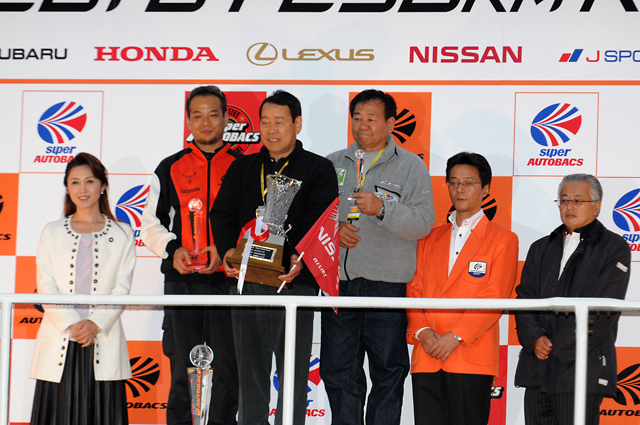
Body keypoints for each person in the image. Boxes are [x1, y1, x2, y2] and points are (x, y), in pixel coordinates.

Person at [210, 90, 338, 425]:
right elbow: (221, 214)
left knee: (293, 372)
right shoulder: (242, 167)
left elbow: (321, 220)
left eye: (279, 121)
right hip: (247, 281)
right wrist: (228, 251)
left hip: (295, 283)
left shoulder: (319, 168)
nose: (271, 129)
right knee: (249, 373)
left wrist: (298, 258)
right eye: (265, 122)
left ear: (297, 124)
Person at [321, 89, 435, 425]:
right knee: (338, 370)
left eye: (371, 118)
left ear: (391, 123)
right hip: (338, 286)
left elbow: (423, 222)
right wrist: (335, 229)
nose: (362, 125)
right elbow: (313, 219)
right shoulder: (331, 163)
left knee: (388, 372)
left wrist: (382, 208)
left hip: (387, 287)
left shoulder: (411, 165)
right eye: (357, 117)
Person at [141, 86, 240, 425]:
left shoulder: (243, 166)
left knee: (227, 369)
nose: (206, 122)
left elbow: (255, 223)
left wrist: (228, 252)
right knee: (183, 367)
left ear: (225, 118)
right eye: (197, 115)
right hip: (182, 282)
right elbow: (150, 224)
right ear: (188, 120)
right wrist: (173, 249)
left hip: (229, 283)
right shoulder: (169, 167)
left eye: (213, 114)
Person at [406, 152, 518, 425]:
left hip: (471, 354)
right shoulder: (429, 237)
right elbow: (414, 289)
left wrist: (455, 336)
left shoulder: (504, 239)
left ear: (486, 189)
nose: (460, 189)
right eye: (454, 182)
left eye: (468, 183)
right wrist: (422, 332)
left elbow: (496, 297)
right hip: (427, 353)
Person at [514, 173, 630, 425]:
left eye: (578, 200)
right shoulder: (540, 247)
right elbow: (524, 299)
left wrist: (557, 346)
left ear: (596, 206)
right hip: (538, 368)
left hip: (582, 368)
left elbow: (602, 310)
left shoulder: (614, 248)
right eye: (564, 200)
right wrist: (534, 339)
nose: (569, 206)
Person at [29, 152, 136, 425]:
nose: (83, 189)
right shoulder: (52, 231)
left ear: (103, 185)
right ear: (67, 188)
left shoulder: (123, 233)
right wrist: (74, 324)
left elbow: (121, 287)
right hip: (59, 339)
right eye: (75, 182)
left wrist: (95, 323)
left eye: (90, 181)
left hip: (103, 339)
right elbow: (45, 285)